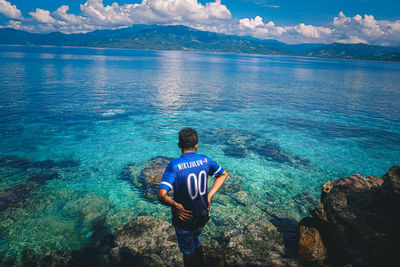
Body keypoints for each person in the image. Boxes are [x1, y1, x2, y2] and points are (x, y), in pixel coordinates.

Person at [157, 127, 228, 267]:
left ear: (179, 145)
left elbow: (161, 195)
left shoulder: (174, 165)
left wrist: (176, 206)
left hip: (184, 217)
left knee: (187, 251)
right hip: (202, 213)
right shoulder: (205, 160)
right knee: (197, 240)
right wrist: (209, 195)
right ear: (197, 145)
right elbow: (223, 174)